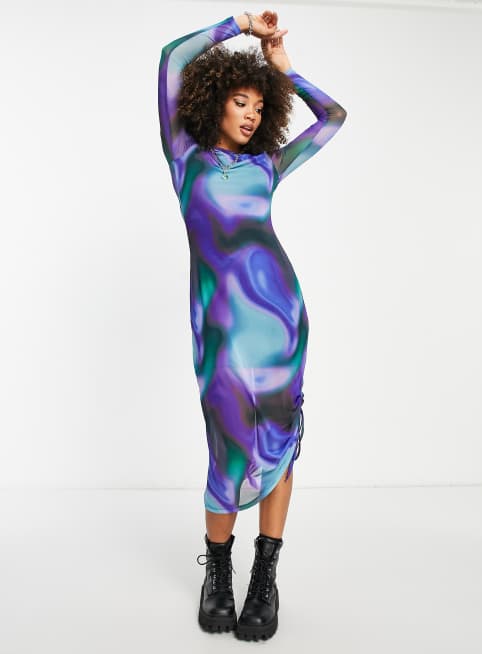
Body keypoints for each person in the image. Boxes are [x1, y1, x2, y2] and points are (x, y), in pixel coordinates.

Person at [158, 9, 346, 641]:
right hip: (221, 329)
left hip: (281, 320)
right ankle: (218, 571)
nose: (250, 115)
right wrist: (239, 24)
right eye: (240, 102)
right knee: (228, 445)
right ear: (213, 100)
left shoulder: (268, 165)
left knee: (280, 441)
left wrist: (283, 71)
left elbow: (334, 118)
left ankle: (265, 576)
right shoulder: (185, 158)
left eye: (260, 107)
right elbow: (171, 58)